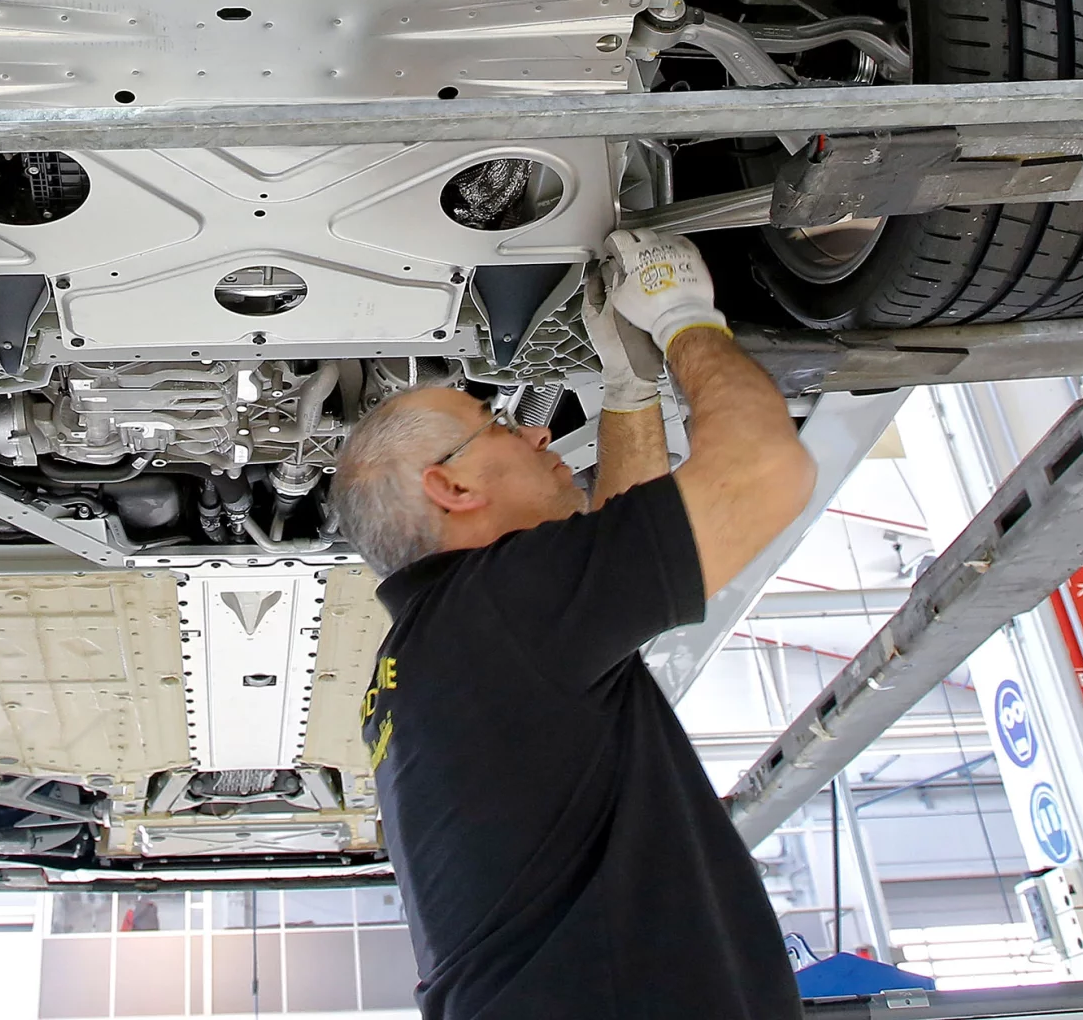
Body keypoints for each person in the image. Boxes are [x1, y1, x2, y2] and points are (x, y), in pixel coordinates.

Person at [333, 227, 817, 1019]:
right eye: (498, 428)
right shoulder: (482, 624)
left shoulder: (465, 635)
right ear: (450, 488)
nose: (533, 431)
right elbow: (762, 470)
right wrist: (686, 319)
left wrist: (630, 389)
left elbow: (628, 559)